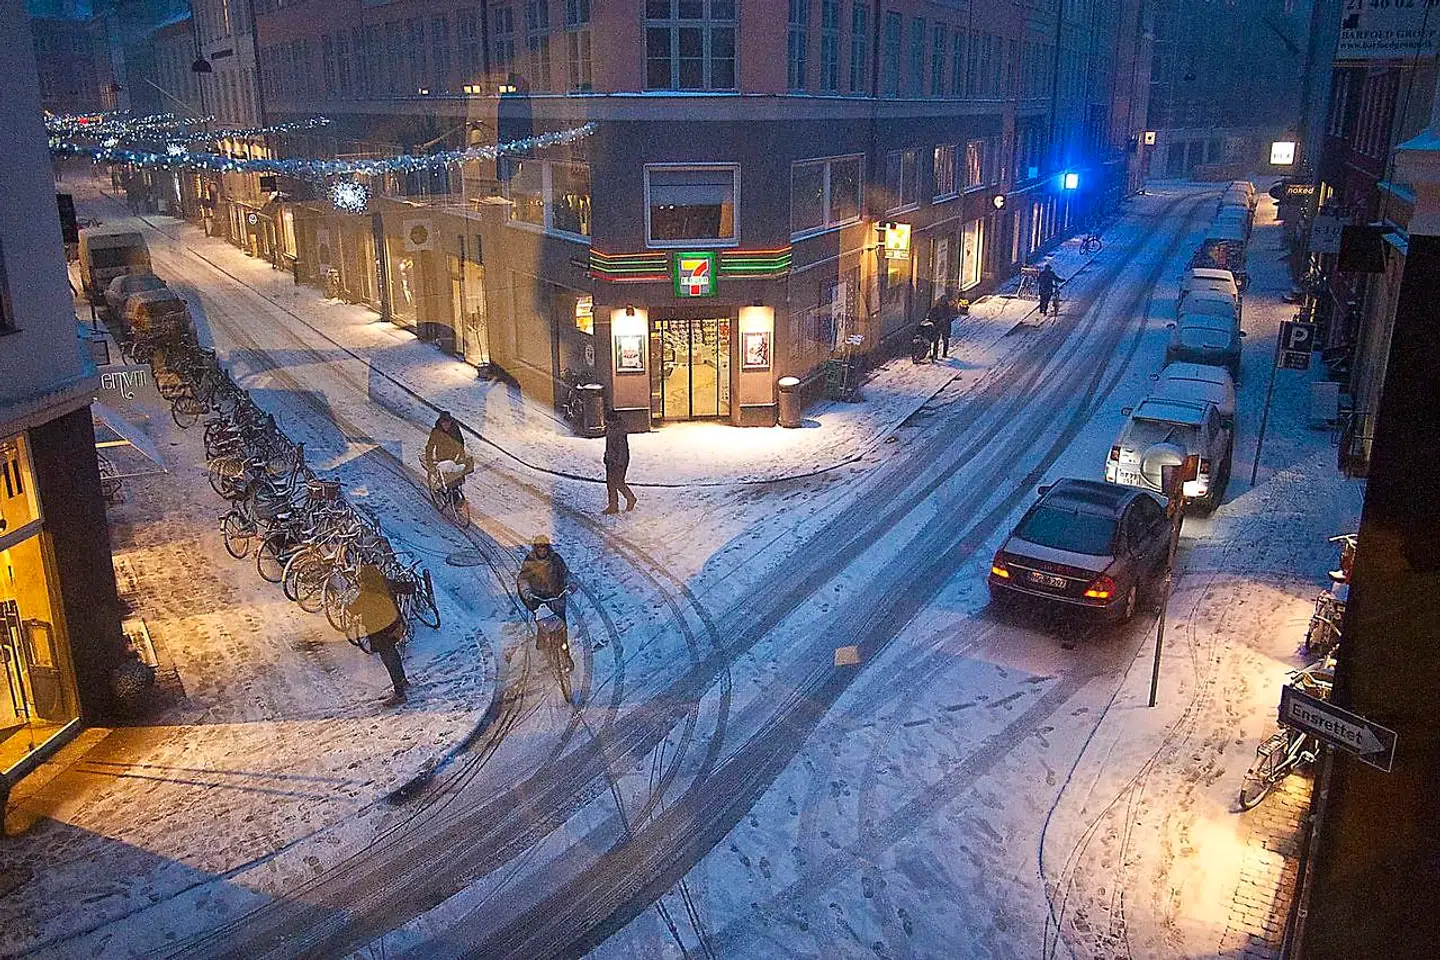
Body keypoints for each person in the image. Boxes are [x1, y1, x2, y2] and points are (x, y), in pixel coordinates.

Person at [353, 562, 409, 706]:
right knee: (394, 656)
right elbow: (407, 588)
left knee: (389, 661)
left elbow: (353, 609)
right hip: (394, 628)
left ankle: (400, 694)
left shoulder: (366, 593)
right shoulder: (385, 583)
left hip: (379, 634)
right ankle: (403, 681)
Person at [517, 535, 570, 629]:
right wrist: (526, 591)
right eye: (539, 550)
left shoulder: (556, 559)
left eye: (544, 549)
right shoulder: (530, 561)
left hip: (557, 599)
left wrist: (570, 584)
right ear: (535, 549)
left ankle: (563, 638)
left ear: (548, 548)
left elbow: (565, 573)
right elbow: (523, 578)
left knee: (561, 627)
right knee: (544, 629)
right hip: (540, 601)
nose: (542, 552)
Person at [423, 411, 474, 494]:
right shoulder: (436, 432)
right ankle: (442, 488)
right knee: (445, 476)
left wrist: (461, 456)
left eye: (448, 422)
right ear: (441, 423)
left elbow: (460, 443)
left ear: (450, 422)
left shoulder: (455, 429)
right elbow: (430, 446)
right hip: (441, 456)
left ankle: (454, 490)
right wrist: (429, 461)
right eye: (444, 423)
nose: (446, 425)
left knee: (456, 476)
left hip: (453, 455)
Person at [602, 411, 637, 514]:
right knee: (610, 483)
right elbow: (609, 445)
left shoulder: (619, 431)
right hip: (611, 460)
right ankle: (613, 506)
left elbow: (622, 449)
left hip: (619, 461)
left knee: (618, 482)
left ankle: (630, 498)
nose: (606, 423)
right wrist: (607, 456)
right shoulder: (611, 429)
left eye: (607, 421)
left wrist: (619, 462)